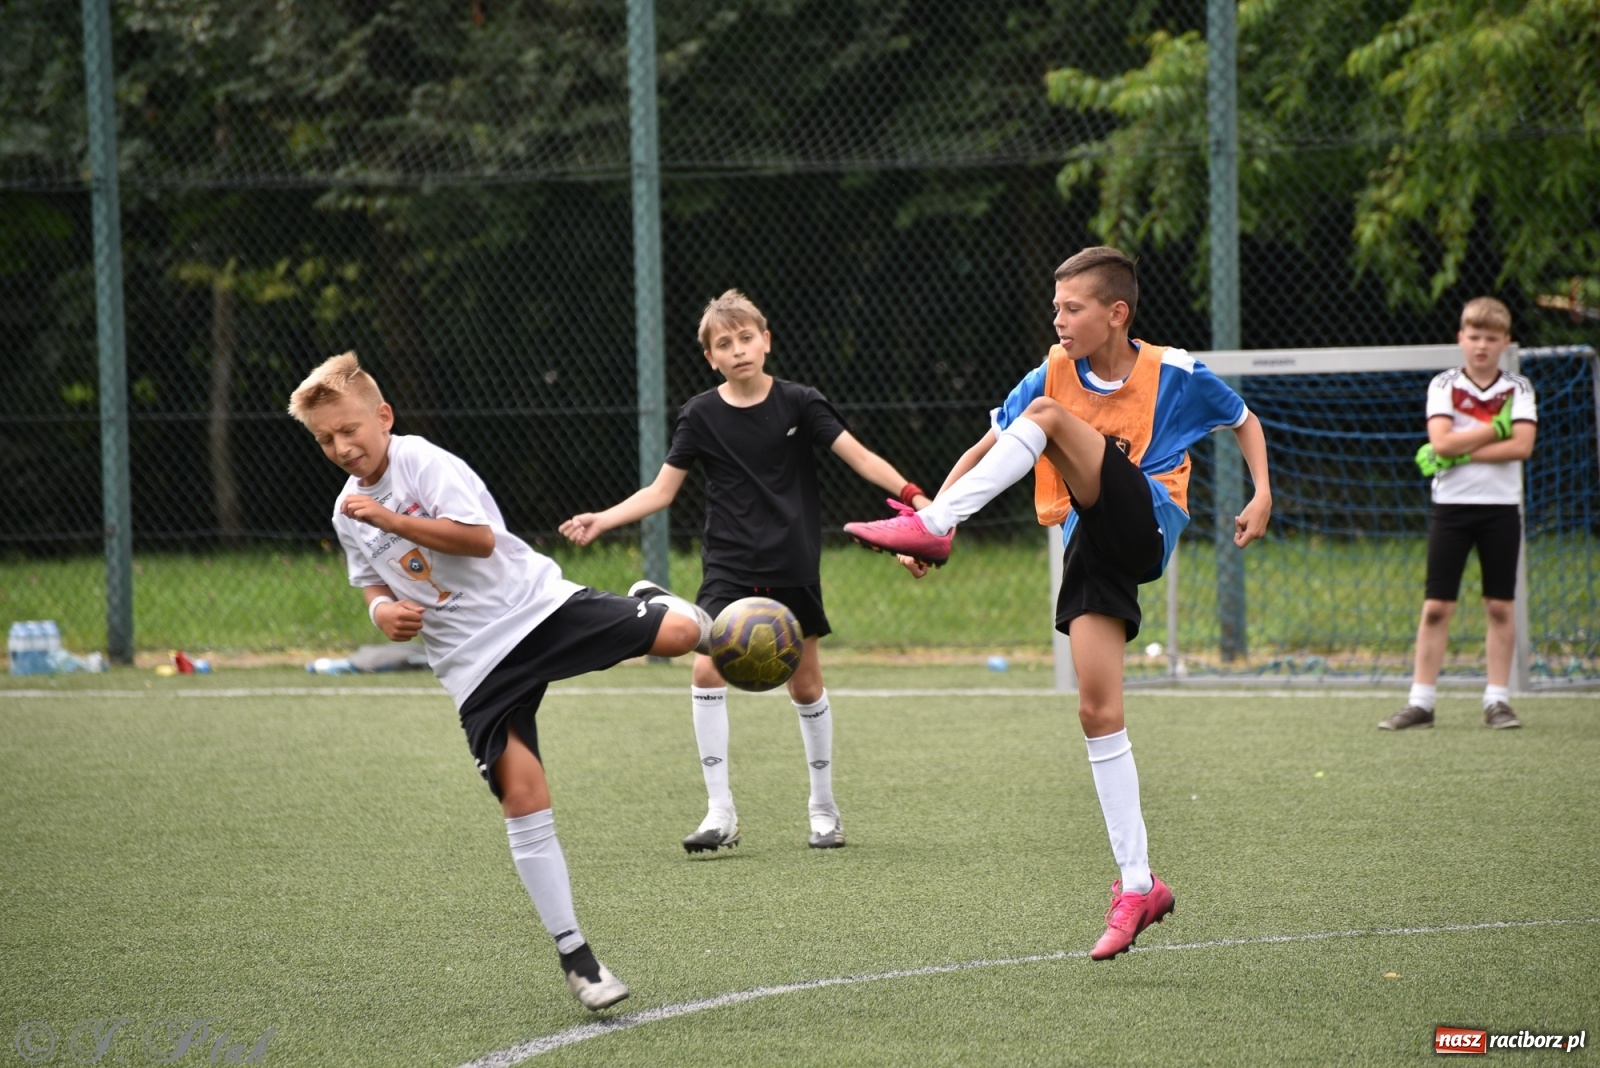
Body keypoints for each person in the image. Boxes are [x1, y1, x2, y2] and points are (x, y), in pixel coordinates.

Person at [842, 246, 1272, 960]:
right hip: (1092, 545)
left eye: (1072, 308)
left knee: (1047, 415)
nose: (1059, 320)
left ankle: (941, 531)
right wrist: (928, 513)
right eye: (1055, 308)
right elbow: (989, 445)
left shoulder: (1174, 372)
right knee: (1097, 713)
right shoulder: (1051, 371)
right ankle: (1139, 884)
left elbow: (1245, 419)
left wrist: (1261, 492)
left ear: (1116, 313)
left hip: (1147, 518)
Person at [288, 352, 707, 1012]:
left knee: (685, 636)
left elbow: (481, 540)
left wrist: (394, 520)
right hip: (472, 663)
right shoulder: (348, 511)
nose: (341, 447)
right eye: (325, 440)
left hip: (534, 609)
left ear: (383, 417)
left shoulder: (424, 463)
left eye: (349, 430)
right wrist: (381, 610)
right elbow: (368, 578)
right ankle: (579, 959)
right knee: (521, 792)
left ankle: (658, 601)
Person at [559, 289, 932, 854]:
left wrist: (915, 497)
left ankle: (824, 810)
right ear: (711, 357)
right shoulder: (701, 414)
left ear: (767, 340)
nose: (738, 351)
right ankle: (719, 812)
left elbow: (857, 456)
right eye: (724, 344)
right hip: (730, 567)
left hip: (793, 565)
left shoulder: (801, 403)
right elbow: (662, 491)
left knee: (805, 684)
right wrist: (603, 520)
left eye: (746, 338)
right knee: (706, 673)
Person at [1383, 297, 1537, 731]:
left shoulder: (1519, 389)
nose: (1482, 346)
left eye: (1491, 338)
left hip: (1502, 511)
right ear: (1461, 339)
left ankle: (1497, 700)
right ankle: (1421, 702)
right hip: (1450, 509)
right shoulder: (1444, 385)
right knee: (1436, 607)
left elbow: (1522, 447)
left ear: (1505, 342)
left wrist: (1463, 443)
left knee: (1499, 606)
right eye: (1474, 337)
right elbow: (1441, 443)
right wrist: (1497, 428)